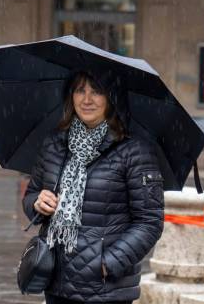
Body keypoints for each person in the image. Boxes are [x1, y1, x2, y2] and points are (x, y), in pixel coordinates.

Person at [22, 71, 164, 304]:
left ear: (112, 97)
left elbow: (149, 222)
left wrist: (107, 264)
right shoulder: (55, 144)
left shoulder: (135, 151)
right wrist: (37, 202)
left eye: (96, 91)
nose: (86, 99)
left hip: (105, 289)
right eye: (80, 90)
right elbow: (31, 197)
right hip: (55, 280)